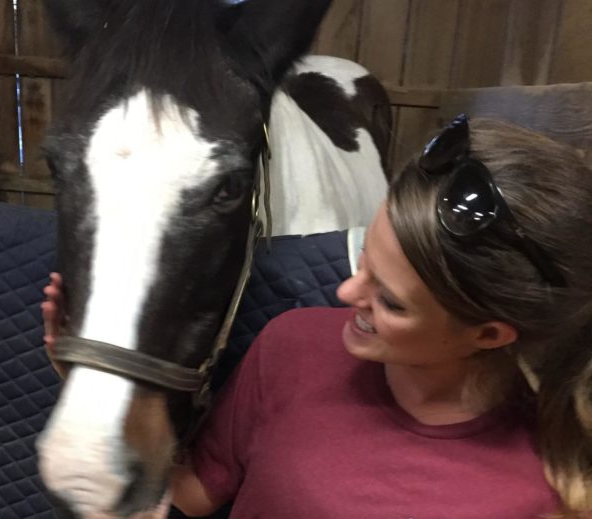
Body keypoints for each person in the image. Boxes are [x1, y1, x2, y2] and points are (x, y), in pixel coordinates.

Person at [43, 116, 592, 518]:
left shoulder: (548, 483)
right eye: (364, 263)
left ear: (489, 333)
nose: (346, 290)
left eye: (391, 301)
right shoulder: (292, 345)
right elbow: (189, 496)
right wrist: (106, 397)